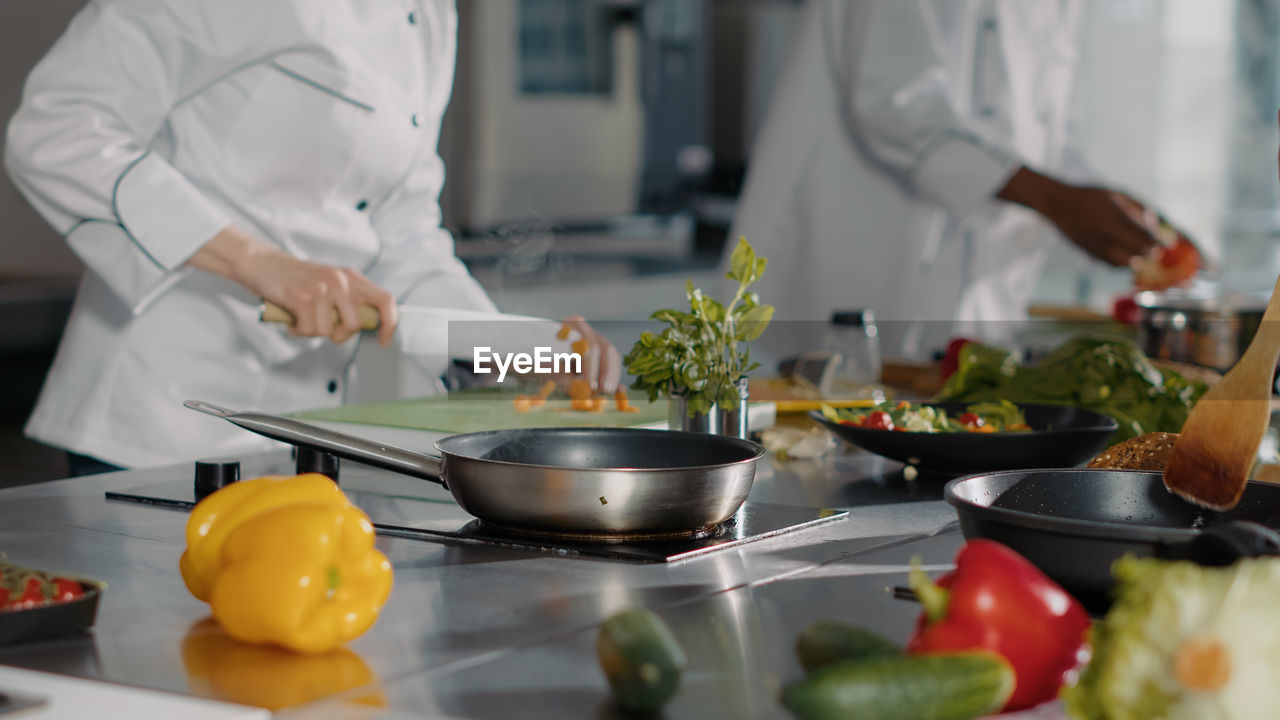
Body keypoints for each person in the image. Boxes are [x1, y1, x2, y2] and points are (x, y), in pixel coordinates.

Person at [4, 0, 619, 474]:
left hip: (308, 441)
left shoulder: (427, 15)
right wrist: (258, 262)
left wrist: (518, 352)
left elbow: (401, 231)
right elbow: (58, 127)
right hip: (159, 433)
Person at [725, 0, 1187, 358]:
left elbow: (1047, 133)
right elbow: (896, 105)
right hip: (850, 265)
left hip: (974, 300)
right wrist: (1059, 201)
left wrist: (1122, 214)